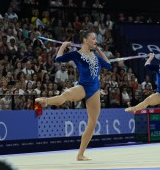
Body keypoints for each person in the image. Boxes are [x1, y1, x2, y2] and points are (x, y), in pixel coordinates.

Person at [35, 29, 112, 161]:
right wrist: (64, 46)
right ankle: (46, 101)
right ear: (85, 40)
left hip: (95, 90)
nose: (95, 41)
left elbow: (108, 65)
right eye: (93, 39)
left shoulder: (96, 57)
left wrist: (99, 50)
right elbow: (58, 58)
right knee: (64, 97)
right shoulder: (76, 54)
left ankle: (80, 154)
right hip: (83, 86)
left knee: (92, 122)